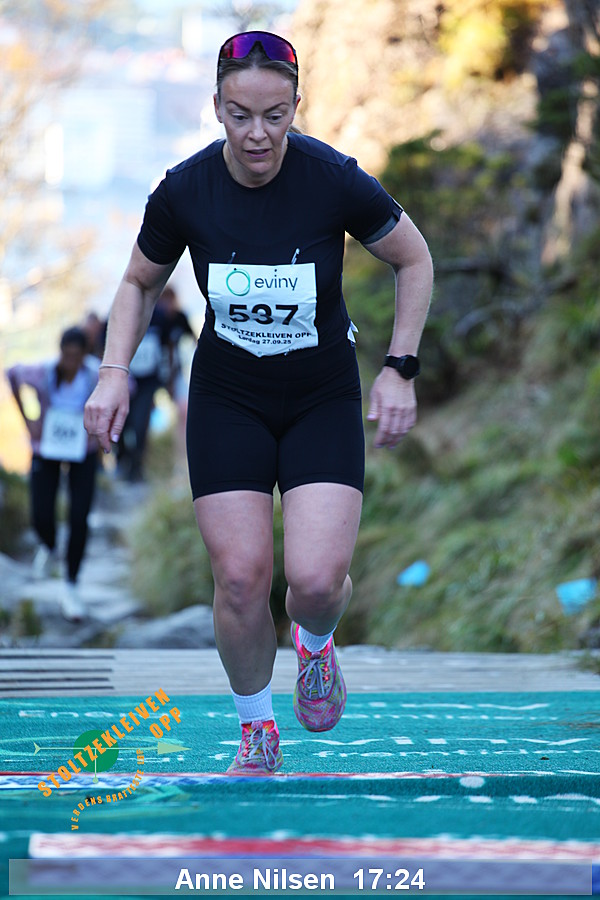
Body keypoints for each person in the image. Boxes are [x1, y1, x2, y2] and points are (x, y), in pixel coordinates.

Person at [84, 31, 433, 774]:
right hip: (229, 397)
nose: (257, 135)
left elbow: (413, 257)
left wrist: (399, 367)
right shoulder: (184, 190)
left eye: (275, 116)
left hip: (320, 396)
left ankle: (315, 642)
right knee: (241, 578)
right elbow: (140, 281)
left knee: (315, 582)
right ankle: (256, 731)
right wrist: (114, 370)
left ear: (295, 107)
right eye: (241, 115)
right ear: (216, 106)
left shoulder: (332, 178)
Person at [7, 326, 100, 622]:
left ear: (84, 355)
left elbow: (127, 388)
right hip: (46, 448)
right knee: (41, 514)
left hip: (83, 451)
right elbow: (11, 373)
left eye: (76, 356)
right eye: (66, 355)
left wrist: (99, 429)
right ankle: (47, 545)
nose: (70, 361)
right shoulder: (43, 371)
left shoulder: (96, 374)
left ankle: (71, 584)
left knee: (79, 516)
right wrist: (28, 419)